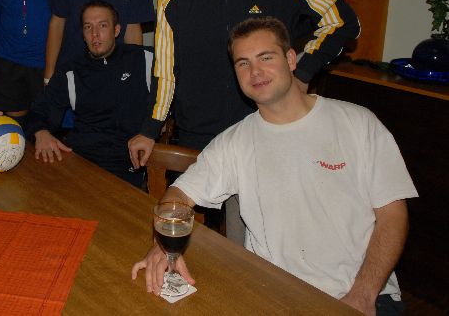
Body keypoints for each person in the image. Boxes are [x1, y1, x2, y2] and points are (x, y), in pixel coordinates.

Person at [132, 17, 417, 316]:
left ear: (291, 59)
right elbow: (178, 196)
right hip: (275, 296)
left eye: (265, 57)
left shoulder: (357, 123)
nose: (255, 72)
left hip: (363, 294)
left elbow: (393, 215)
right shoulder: (234, 142)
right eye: (243, 63)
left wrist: (362, 295)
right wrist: (164, 246)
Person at [128, 0, 360, 243]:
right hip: (196, 141)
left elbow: (343, 21)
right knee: (187, 243)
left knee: (252, 249)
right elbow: (165, 71)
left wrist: (303, 73)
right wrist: (149, 128)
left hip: (262, 137)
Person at [26, 0, 155, 187]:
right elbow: (39, 110)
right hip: (81, 159)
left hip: (127, 161)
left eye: (102, 25)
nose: (95, 34)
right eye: (88, 27)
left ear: (116, 30)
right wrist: (41, 132)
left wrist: (153, 129)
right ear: (83, 35)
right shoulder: (71, 72)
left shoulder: (144, 60)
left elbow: (176, 91)